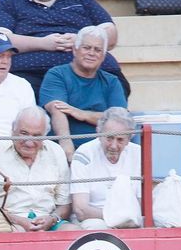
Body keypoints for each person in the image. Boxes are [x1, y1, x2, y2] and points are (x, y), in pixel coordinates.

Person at [0, 0, 123, 94]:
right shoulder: (12, 3)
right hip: (32, 74)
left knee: (115, 88)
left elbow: (111, 33)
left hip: (90, 71)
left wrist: (81, 40)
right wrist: (43, 43)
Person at [39, 25, 126, 155]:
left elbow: (119, 120)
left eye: (97, 50)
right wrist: (66, 145)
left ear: (103, 56)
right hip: (64, 150)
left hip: (103, 152)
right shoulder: (57, 74)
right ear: (75, 50)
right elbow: (58, 110)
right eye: (86, 48)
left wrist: (82, 114)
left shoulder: (112, 81)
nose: (91, 53)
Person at [0, 105, 70, 231]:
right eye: (24, 133)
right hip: (8, 222)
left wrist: (52, 218)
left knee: (73, 232)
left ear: (45, 135)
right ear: (12, 130)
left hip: (48, 221)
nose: (29, 142)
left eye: (37, 136)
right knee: (17, 235)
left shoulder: (56, 151)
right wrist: (18, 220)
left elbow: (64, 204)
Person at [67, 105, 138, 228]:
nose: (114, 146)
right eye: (109, 138)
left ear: (129, 139)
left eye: (120, 139)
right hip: (94, 219)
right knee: (97, 227)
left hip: (130, 219)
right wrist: (117, 217)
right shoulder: (84, 153)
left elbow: (143, 204)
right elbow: (81, 210)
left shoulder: (138, 154)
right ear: (99, 134)